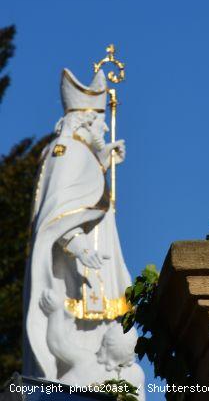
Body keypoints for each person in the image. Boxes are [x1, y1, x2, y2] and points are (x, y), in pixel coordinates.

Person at [23, 67, 135, 385]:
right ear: (85, 120)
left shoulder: (79, 150)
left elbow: (82, 197)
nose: (101, 128)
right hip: (78, 263)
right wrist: (76, 242)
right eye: (98, 123)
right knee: (79, 341)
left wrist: (100, 160)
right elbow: (56, 208)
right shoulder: (66, 149)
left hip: (97, 258)